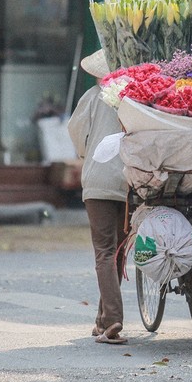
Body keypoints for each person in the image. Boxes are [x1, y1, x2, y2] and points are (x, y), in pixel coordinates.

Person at [67, 49, 129, 345]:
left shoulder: (94, 96)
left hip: (99, 179)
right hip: (132, 181)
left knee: (104, 251)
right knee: (117, 250)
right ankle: (103, 320)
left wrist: (84, 152)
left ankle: (113, 318)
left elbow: (77, 132)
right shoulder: (135, 96)